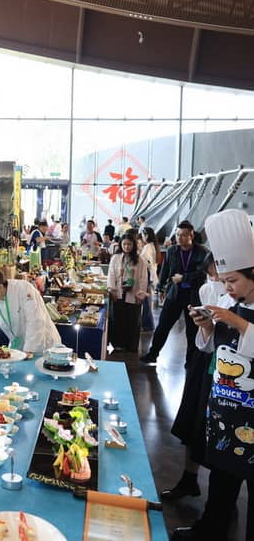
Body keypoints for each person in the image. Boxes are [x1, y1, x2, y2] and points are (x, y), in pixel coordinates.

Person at [172, 209, 254, 541]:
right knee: (221, 481)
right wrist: (206, 326)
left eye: (233, 281)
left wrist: (236, 322)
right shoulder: (226, 300)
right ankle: (208, 530)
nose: (227, 288)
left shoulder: (235, 311)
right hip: (224, 411)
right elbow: (209, 347)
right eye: (224, 281)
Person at [164, 253, 223, 503]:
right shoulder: (207, 289)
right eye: (211, 274)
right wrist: (205, 324)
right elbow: (205, 338)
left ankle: (223, 499)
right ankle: (189, 478)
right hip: (205, 360)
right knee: (193, 419)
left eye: (221, 275)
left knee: (221, 430)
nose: (216, 279)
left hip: (230, 371)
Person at [141, 220, 209, 365]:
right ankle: (153, 354)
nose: (179, 238)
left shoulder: (202, 252)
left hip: (193, 296)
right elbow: (165, 270)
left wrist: (184, 278)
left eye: (183, 235)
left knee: (192, 330)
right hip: (175, 293)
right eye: (177, 235)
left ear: (191, 235)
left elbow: (203, 274)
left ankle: (190, 361)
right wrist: (160, 288)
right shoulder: (172, 251)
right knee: (163, 326)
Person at [107, 232, 148, 354]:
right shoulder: (116, 258)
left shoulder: (140, 260)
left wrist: (141, 293)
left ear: (133, 245)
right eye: (124, 244)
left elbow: (143, 278)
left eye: (129, 244)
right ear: (121, 244)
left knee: (132, 320)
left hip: (133, 293)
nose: (126, 247)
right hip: (119, 292)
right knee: (118, 319)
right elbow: (111, 274)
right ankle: (118, 344)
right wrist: (112, 289)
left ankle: (131, 345)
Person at [139, 227, 161, 332]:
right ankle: (148, 324)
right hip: (152, 275)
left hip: (148, 275)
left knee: (146, 302)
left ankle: (148, 325)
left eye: (143, 235)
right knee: (148, 301)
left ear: (146, 235)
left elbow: (145, 261)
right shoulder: (154, 246)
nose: (142, 237)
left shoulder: (148, 246)